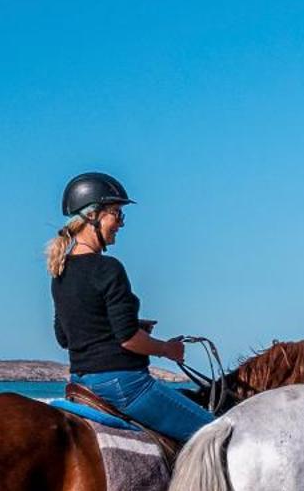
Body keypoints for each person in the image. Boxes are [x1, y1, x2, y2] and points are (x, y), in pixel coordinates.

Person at [47, 172, 215, 445]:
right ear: (93, 216)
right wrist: (166, 349)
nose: (120, 223)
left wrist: (129, 324)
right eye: (117, 214)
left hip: (81, 384)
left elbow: (65, 337)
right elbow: (128, 340)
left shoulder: (60, 272)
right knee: (217, 434)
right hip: (124, 386)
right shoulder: (108, 268)